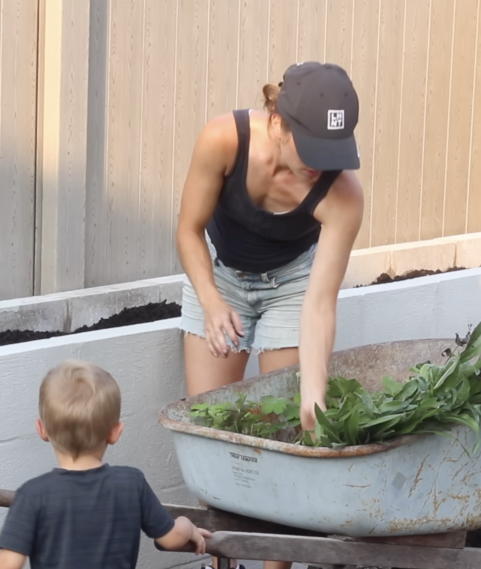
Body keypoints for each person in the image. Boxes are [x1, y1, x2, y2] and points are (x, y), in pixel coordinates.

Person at [175, 61, 365, 569]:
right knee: (214, 425)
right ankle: (222, 560)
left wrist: (315, 390)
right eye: (312, 150)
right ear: (278, 123)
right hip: (220, 277)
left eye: (333, 153)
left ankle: (274, 565)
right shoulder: (225, 140)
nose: (321, 166)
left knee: (281, 432)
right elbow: (188, 231)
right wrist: (212, 301)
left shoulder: (343, 195)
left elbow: (320, 302)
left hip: (293, 286)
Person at [0, 360, 213, 569]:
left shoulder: (33, 495)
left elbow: (7, 563)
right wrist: (187, 525)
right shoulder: (131, 484)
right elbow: (172, 539)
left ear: (42, 429)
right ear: (115, 433)